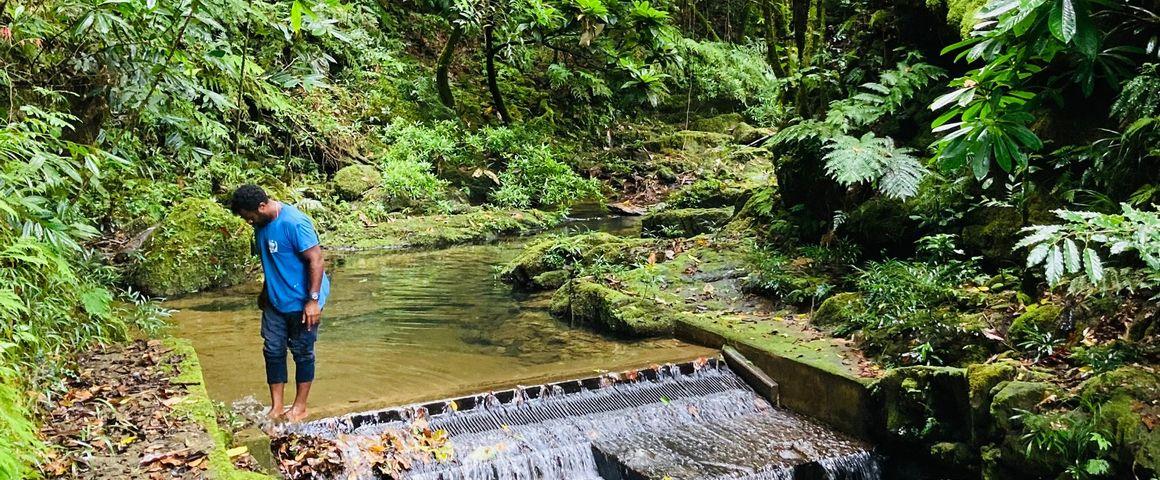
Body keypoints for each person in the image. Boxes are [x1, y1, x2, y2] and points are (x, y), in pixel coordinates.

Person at [230, 185, 330, 422]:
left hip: (303, 300)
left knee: (302, 352)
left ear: (262, 207)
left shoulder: (295, 223)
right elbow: (271, 262)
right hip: (276, 300)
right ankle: (276, 406)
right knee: (273, 350)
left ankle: (300, 406)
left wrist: (313, 301)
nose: (248, 222)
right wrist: (265, 293)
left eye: (250, 216)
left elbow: (316, 260)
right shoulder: (260, 226)